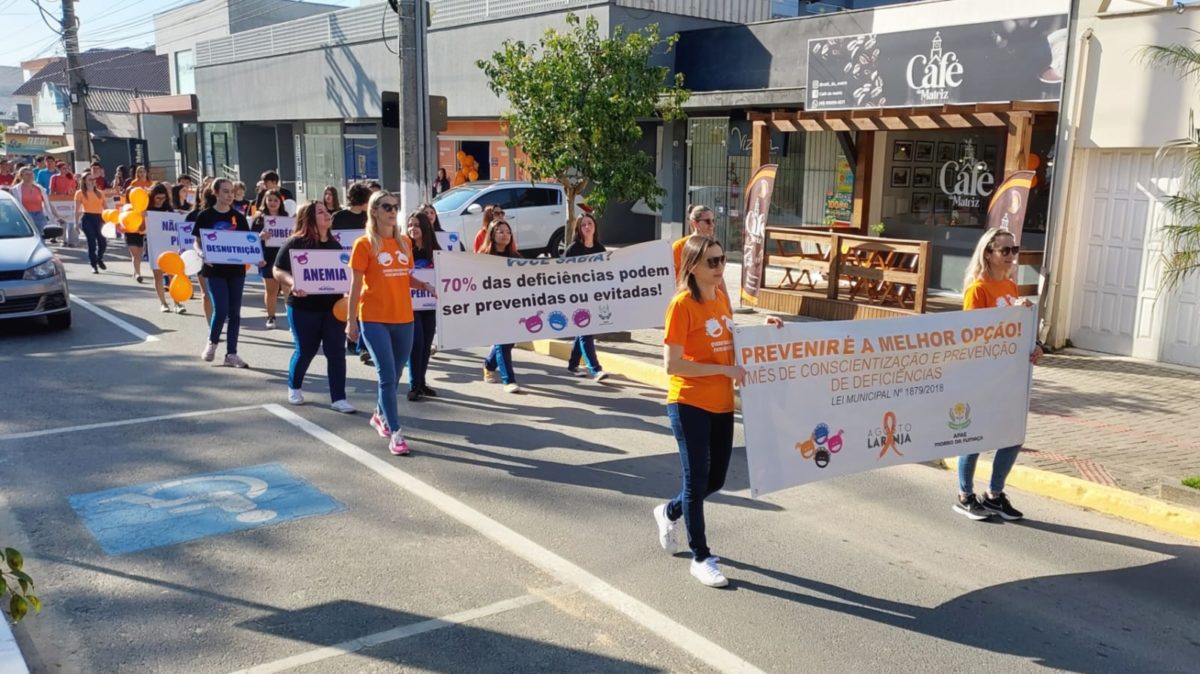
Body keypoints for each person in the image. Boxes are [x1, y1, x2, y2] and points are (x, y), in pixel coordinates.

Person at [652, 235, 781, 588]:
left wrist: (765, 334)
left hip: (721, 403)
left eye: (722, 260)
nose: (720, 267)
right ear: (692, 266)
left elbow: (730, 340)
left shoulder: (722, 298)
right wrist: (724, 372)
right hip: (688, 401)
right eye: (712, 262)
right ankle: (701, 557)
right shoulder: (681, 305)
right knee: (696, 480)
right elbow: (672, 364)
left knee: (717, 479)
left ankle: (669, 511)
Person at [953, 227, 1043, 522]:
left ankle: (994, 494)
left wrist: (1034, 343)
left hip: (1008, 376)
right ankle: (965, 495)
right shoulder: (977, 290)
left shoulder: (1010, 287)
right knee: (975, 437)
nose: (1011, 256)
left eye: (1014, 250)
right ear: (988, 254)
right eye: (1005, 251)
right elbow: (972, 337)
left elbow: (1016, 333)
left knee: (1012, 435)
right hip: (982, 377)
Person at [345, 191, 437, 456]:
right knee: (386, 376)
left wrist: (423, 284)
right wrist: (351, 322)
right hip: (374, 319)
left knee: (396, 375)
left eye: (395, 206)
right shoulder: (364, 244)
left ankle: (378, 413)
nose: (392, 211)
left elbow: (403, 276)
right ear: (374, 211)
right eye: (386, 206)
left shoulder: (404, 243)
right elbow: (355, 285)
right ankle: (395, 432)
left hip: (403, 319)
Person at [272, 201, 355, 413]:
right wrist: (293, 282)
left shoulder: (336, 246)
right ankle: (294, 386)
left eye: (327, 211)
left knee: (336, 352)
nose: (327, 215)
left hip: (333, 308)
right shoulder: (295, 243)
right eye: (321, 212)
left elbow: (343, 275)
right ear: (309, 218)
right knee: (306, 350)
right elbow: (277, 270)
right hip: (303, 308)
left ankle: (339, 398)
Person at [195, 178, 263, 368]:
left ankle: (231, 353)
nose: (229, 195)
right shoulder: (205, 216)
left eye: (231, 192)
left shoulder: (238, 217)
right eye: (225, 191)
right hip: (214, 269)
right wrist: (202, 254)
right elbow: (197, 241)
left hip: (236, 270)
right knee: (222, 308)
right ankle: (212, 341)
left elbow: (246, 243)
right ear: (215, 193)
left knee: (235, 312)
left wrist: (257, 256)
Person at [480, 219, 523, 393]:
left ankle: (489, 365)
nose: (505, 234)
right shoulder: (483, 257)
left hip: (512, 306)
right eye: (500, 231)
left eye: (508, 231)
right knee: (502, 341)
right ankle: (508, 380)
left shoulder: (517, 258)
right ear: (492, 234)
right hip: (492, 307)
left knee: (508, 341)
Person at [564, 212, 608, 380]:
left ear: (595, 226)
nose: (587, 227)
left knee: (583, 330)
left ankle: (573, 364)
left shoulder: (600, 248)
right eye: (584, 225)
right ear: (579, 229)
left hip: (594, 297)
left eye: (590, 223)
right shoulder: (573, 249)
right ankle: (595, 368)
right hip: (576, 297)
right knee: (585, 330)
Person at [333, 182, 373, 365]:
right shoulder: (339, 217)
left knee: (360, 300)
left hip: (363, 265)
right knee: (347, 301)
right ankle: (349, 336)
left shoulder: (369, 218)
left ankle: (358, 341)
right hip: (341, 264)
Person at [405, 210, 441, 401]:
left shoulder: (434, 249)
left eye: (417, 225)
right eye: (410, 225)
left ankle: (421, 381)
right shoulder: (404, 248)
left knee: (426, 344)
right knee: (416, 343)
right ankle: (413, 384)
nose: (413, 229)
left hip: (429, 304)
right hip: (410, 304)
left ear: (425, 227)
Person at [145, 183, 185, 314]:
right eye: (158, 198)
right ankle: (163, 303)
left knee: (173, 274)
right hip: (154, 245)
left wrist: (179, 215)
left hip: (169, 246)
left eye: (163, 198)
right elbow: (140, 229)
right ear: (152, 197)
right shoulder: (147, 211)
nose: (161, 201)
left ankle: (177, 302)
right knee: (158, 275)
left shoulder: (169, 210)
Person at [250, 188, 287, 328]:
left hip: (284, 258)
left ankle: (291, 318)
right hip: (266, 258)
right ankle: (271, 317)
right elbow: (250, 240)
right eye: (269, 200)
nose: (272, 203)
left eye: (275, 200)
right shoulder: (258, 219)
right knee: (271, 290)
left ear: (280, 202)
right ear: (265, 201)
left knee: (287, 290)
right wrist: (260, 237)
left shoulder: (287, 218)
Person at [11, 167, 61, 238]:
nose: (30, 176)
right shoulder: (15, 190)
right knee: (29, 236)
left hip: (39, 215)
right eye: (26, 174)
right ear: (21, 176)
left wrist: (57, 216)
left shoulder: (39, 188)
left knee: (41, 237)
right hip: (25, 216)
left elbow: (48, 203)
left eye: (31, 174)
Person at [74, 172, 107, 273]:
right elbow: (77, 209)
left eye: (93, 179)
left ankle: (99, 258)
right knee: (91, 242)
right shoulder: (80, 193)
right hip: (87, 217)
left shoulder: (100, 193)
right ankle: (94, 265)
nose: (93, 181)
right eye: (90, 179)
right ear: (84, 181)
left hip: (99, 218)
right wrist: (76, 223)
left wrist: (110, 219)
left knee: (102, 242)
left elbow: (105, 207)